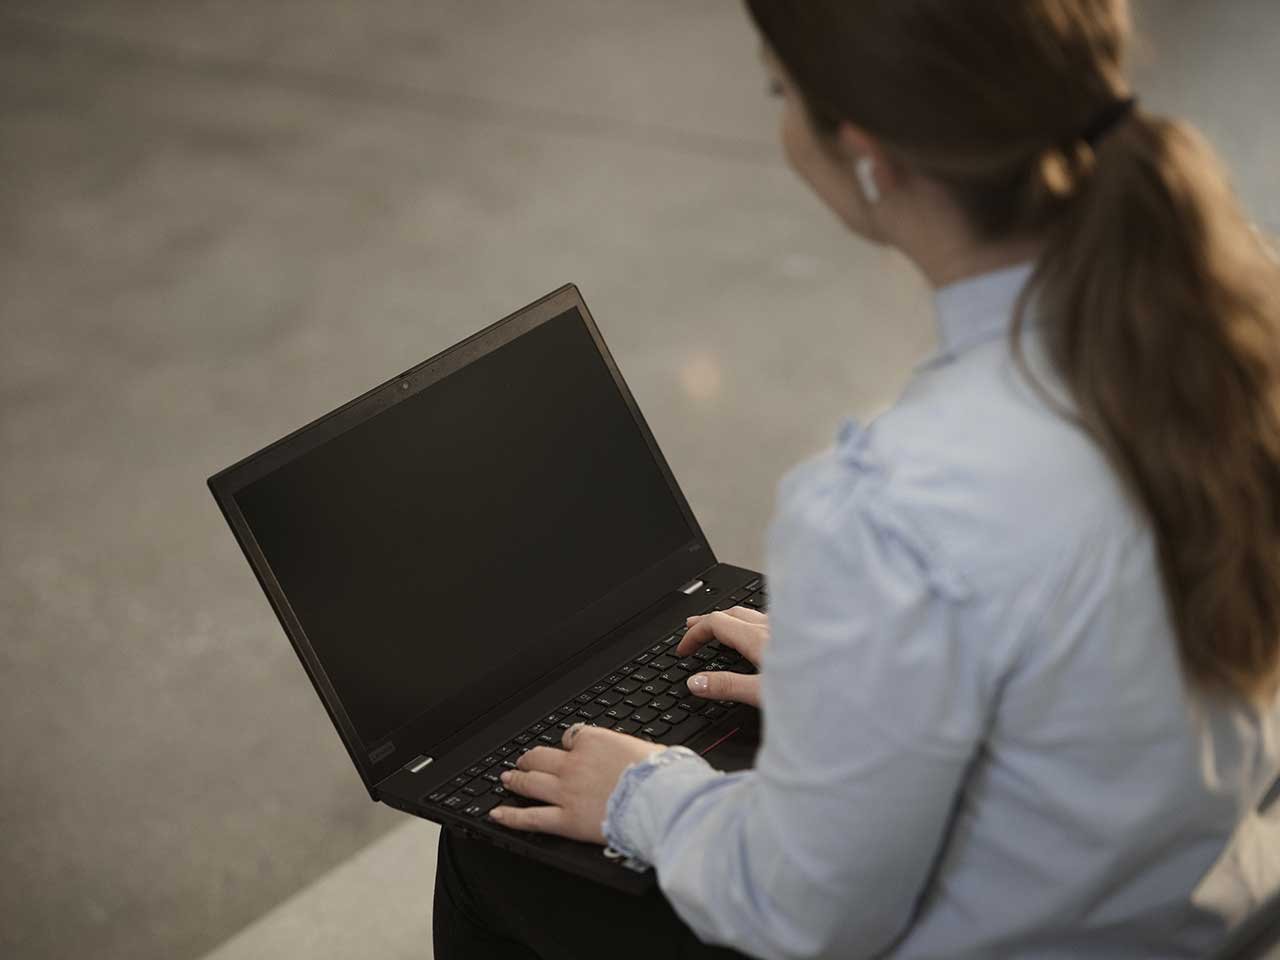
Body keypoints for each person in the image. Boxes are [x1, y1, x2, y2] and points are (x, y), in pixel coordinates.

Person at [432, 1, 1280, 957]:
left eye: (781, 92)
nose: (783, 123)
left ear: (869, 154)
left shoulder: (891, 501)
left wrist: (646, 795)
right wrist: (868, 689)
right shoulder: (1241, 330)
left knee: (490, 850)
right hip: (1205, 916)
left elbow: (807, 911)